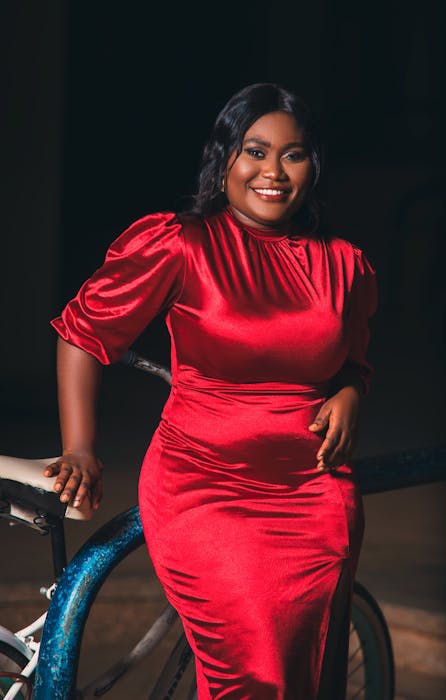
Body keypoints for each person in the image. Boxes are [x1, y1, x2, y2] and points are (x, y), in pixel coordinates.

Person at [46, 83, 377, 699]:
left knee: (304, 678)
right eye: (255, 150)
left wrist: (352, 392)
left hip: (315, 496)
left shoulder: (344, 264)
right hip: (207, 487)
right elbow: (82, 333)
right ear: (224, 157)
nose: (273, 172)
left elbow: (354, 362)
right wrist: (82, 448)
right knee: (253, 675)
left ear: (314, 166)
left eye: (294, 154)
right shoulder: (182, 243)